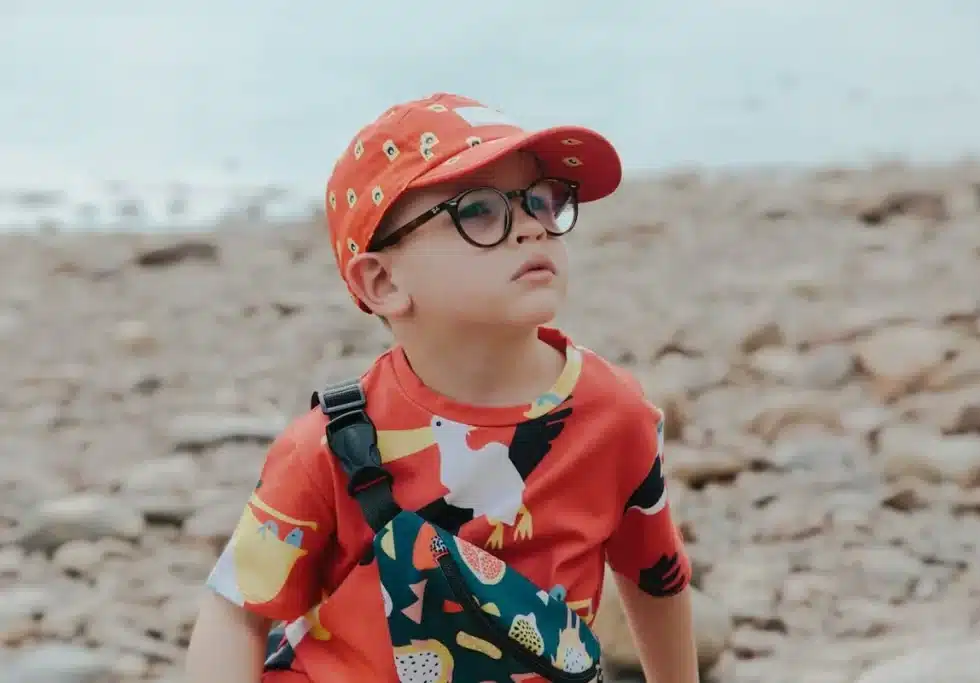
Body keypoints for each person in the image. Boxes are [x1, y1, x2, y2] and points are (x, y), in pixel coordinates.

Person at [184, 92, 699, 683]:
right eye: (477, 210)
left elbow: (655, 576)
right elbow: (236, 606)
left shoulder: (614, 416)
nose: (532, 227)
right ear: (382, 281)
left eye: (541, 200)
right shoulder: (334, 444)